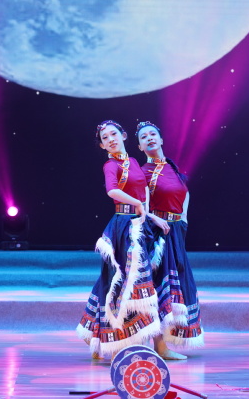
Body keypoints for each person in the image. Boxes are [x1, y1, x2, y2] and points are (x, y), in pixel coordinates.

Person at [76, 120, 161, 360]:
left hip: (138, 224)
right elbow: (112, 191)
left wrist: (149, 214)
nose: (111, 139)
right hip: (123, 226)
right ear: (102, 146)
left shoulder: (133, 162)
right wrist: (137, 204)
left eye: (114, 134)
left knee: (136, 283)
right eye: (105, 138)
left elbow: (143, 192)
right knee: (120, 281)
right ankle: (113, 342)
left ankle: (123, 340)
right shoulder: (110, 165)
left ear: (123, 136)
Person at [136, 121, 204, 360]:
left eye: (153, 134)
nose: (149, 138)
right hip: (156, 236)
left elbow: (184, 198)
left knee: (175, 286)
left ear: (161, 139)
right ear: (140, 146)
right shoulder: (142, 173)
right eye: (144, 137)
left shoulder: (172, 168)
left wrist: (182, 224)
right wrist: (154, 222)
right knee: (157, 287)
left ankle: (163, 343)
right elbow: (138, 207)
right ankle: (159, 347)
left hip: (175, 232)